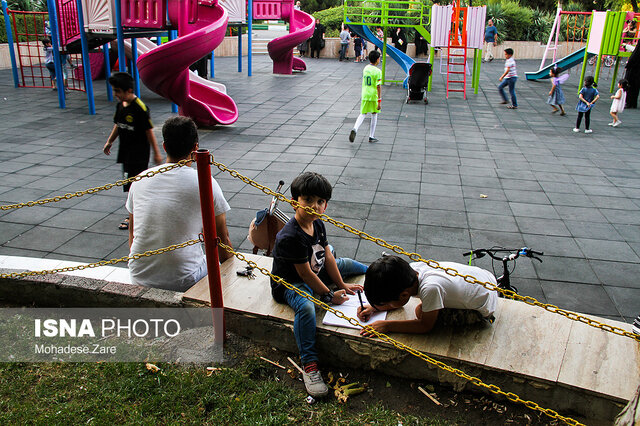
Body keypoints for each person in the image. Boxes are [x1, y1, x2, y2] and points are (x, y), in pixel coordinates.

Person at [270, 172, 367, 397]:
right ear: (295, 203)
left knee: (343, 261)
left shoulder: (318, 225)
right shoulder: (290, 237)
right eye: (309, 200)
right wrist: (328, 295)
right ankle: (310, 365)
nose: (315, 205)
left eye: (321, 201)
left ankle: (375, 272)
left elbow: (328, 258)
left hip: (315, 267)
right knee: (305, 307)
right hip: (291, 283)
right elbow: (304, 275)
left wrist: (341, 283)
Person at [126, 116, 233, 291]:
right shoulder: (205, 182)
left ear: (165, 146)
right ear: (196, 148)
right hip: (183, 279)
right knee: (212, 262)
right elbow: (221, 238)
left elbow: (133, 232)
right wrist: (232, 270)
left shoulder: (140, 179)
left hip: (139, 275)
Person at [357, 255, 497, 336]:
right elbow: (395, 296)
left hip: (484, 305)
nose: (385, 307)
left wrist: (387, 325)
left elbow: (425, 326)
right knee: (425, 308)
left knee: (420, 312)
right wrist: (374, 307)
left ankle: (476, 317)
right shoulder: (411, 270)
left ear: (404, 295)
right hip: (484, 278)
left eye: (385, 303)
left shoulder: (431, 289)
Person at [103, 72, 163, 230]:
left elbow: (149, 131)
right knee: (129, 185)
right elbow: (118, 124)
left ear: (128, 90)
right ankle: (137, 213)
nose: (115, 94)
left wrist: (156, 153)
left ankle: (135, 216)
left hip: (138, 154)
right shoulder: (120, 105)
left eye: (117, 91)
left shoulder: (140, 108)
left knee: (136, 185)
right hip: (125, 152)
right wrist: (110, 141)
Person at [349, 50, 382, 144]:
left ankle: (355, 128)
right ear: (377, 60)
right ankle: (371, 135)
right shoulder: (378, 71)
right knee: (374, 114)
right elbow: (378, 86)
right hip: (373, 95)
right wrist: (379, 100)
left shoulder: (366, 68)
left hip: (365, 94)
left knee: (363, 113)